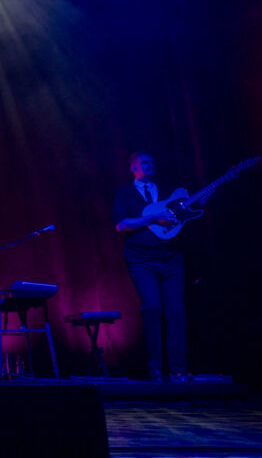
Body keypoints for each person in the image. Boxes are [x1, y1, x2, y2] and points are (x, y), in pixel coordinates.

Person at [113, 151, 187, 383]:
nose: (150, 164)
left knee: (176, 310)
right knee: (152, 308)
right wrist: (153, 219)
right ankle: (155, 369)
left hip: (170, 257)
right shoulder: (124, 192)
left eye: (152, 161)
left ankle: (178, 370)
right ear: (133, 167)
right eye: (145, 162)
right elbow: (121, 224)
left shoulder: (167, 191)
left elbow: (185, 215)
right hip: (140, 258)